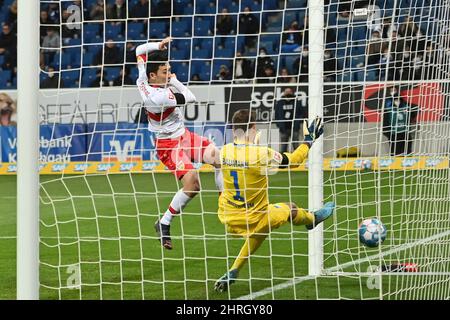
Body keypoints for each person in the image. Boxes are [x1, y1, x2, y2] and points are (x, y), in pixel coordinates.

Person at [214, 109, 334, 292]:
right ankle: (312, 219)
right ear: (253, 128)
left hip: (228, 217)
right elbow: (294, 161)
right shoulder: (262, 154)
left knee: (259, 232)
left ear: (233, 129)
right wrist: (309, 141)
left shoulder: (223, 151)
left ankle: (233, 271)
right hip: (254, 216)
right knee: (290, 208)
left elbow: (227, 166)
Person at [135, 37, 223, 250]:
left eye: (169, 70)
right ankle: (164, 222)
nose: (169, 74)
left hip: (184, 136)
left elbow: (139, 49)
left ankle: (225, 205)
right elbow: (191, 97)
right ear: (154, 75)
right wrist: (174, 80)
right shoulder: (160, 96)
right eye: (165, 72)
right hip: (168, 145)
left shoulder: (142, 79)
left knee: (218, 158)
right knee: (193, 184)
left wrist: (158, 46)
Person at [274, 87, 303, 153]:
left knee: (296, 146)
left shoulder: (297, 102)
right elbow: (276, 115)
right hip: (283, 129)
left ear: (292, 92)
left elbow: (301, 113)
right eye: (286, 91)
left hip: (294, 128)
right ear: (284, 93)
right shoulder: (280, 103)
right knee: (283, 147)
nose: (288, 93)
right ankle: (284, 161)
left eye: (289, 91)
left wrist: (297, 122)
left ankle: (297, 161)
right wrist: (279, 125)